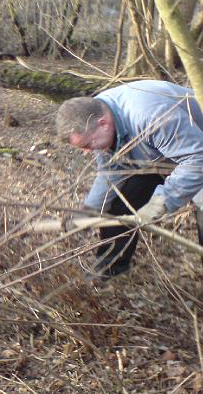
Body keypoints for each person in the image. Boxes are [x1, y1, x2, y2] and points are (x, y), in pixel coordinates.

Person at [56, 79, 203, 279]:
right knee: (120, 204)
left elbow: (197, 160)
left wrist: (162, 201)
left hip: (196, 151)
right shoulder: (97, 112)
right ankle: (110, 270)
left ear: (103, 124)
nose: (86, 151)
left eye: (88, 145)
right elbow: (111, 170)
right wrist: (90, 210)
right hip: (159, 155)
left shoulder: (150, 116)